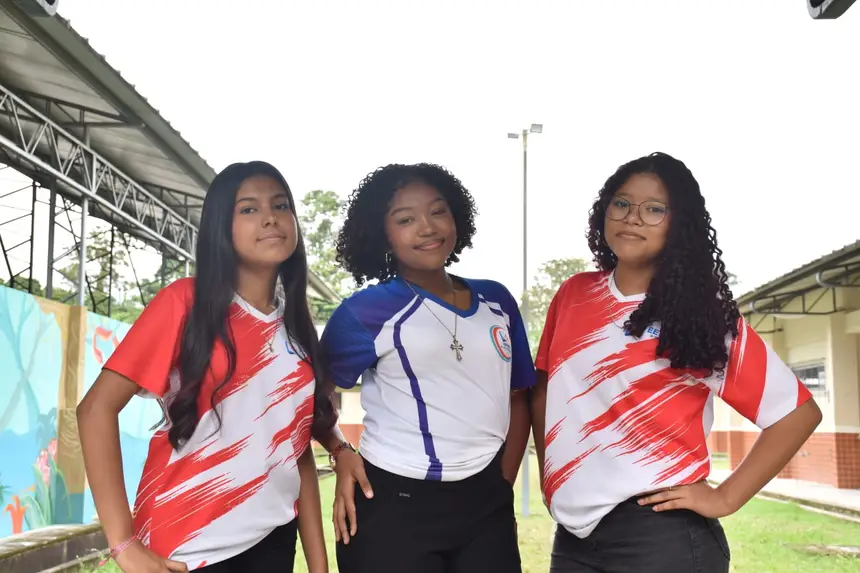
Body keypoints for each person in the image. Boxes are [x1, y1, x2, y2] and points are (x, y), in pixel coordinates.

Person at [530, 152, 822, 573]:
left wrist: (725, 497)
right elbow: (545, 389)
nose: (632, 217)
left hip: (661, 536)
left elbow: (796, 413)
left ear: (678, 224)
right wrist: (551, 476)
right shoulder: (574, 294)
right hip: (574, 539)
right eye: (621, 203)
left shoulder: (700, 313)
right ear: (604, 211)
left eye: (654, 209)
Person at [76, 161, 336, 573]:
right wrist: (123, 544)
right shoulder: (185, 302)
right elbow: (94, 409)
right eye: (248, 209)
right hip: (185, 547)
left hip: (273, 540)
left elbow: (296, 450)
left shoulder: (297, 327)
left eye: (280, 205)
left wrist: (319, 567)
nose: (270, 217)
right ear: (220, 227)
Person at [318, 162, 535, 573]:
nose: (427, 227)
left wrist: (501, 483)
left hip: (486, 506)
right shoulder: (364, 312)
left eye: (438, 211)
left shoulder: (497, 301)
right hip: (393, 505)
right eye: (405, 219)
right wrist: (339, 450)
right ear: (382, 233)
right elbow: (314, 397)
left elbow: (519, 396)